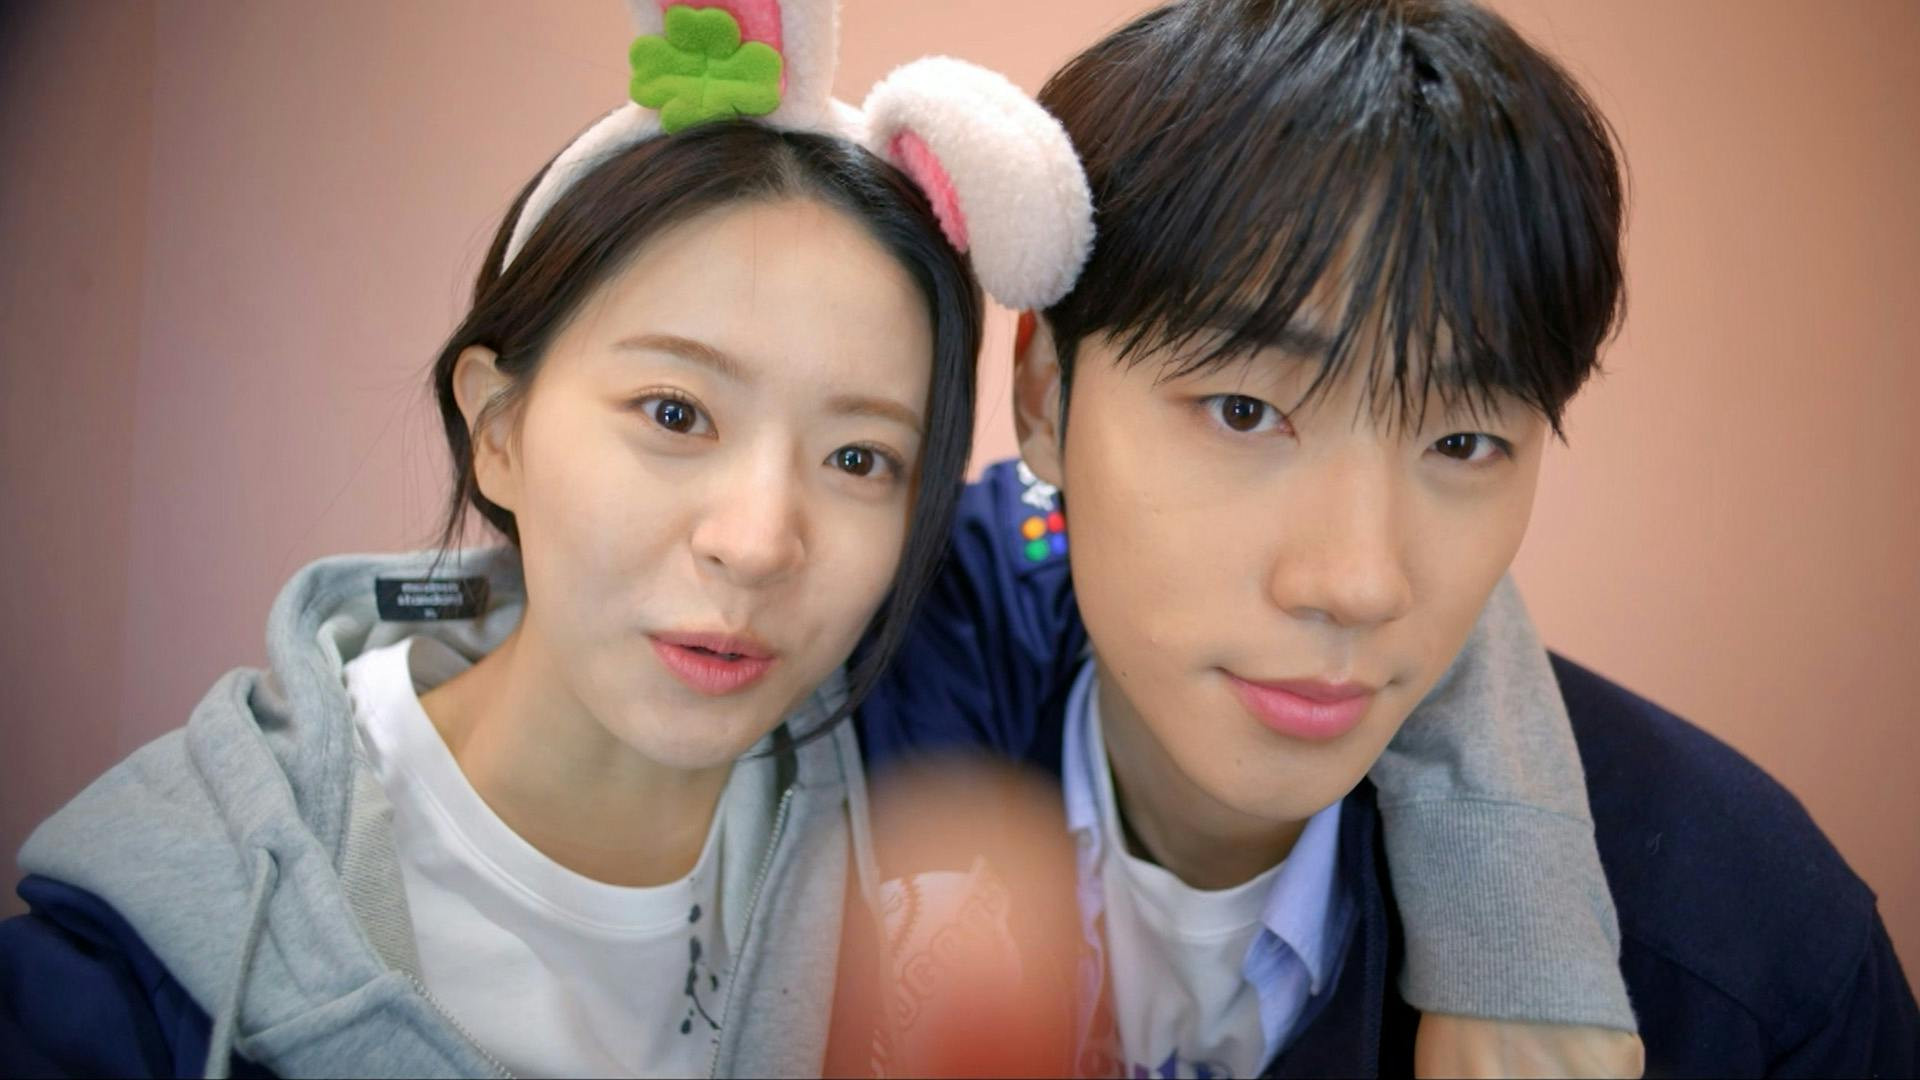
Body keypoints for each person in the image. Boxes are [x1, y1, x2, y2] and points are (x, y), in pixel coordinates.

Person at [0, 3, 1098, 1075]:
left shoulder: (924, 785)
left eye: (859, 459)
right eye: (675, 413)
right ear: (498, 430)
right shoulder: (131, 980)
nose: (759, 543)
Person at [858, 0, 1920, 1076]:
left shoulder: (1752, 958)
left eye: (1462, 442)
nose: (1360, 582)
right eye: (1243, 411)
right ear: (1045, 393)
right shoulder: (844, 684)